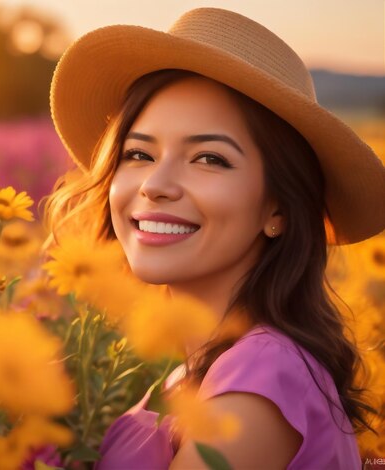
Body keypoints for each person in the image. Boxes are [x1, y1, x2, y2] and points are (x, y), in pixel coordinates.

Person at [41, 6, 385, 470]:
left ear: (278, 208)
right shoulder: (206, 373)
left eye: (208, 159)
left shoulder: (259, 383)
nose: (155, 184)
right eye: (138, 152)